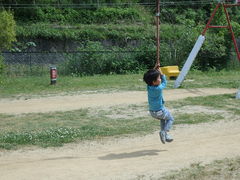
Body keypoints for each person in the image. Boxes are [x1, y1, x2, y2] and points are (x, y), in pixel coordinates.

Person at [143, 65, 174, 144]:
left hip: (152, 112)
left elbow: (149, 76)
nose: (160, 78)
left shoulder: (149, 86)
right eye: (158, 78)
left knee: (163, 119)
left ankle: (165, 136)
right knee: (170, 119)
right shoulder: (158, 88)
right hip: (160, 111)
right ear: (154, 82)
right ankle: (164, 132)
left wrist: (155, 69)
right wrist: (161, 73)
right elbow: (165, 82)